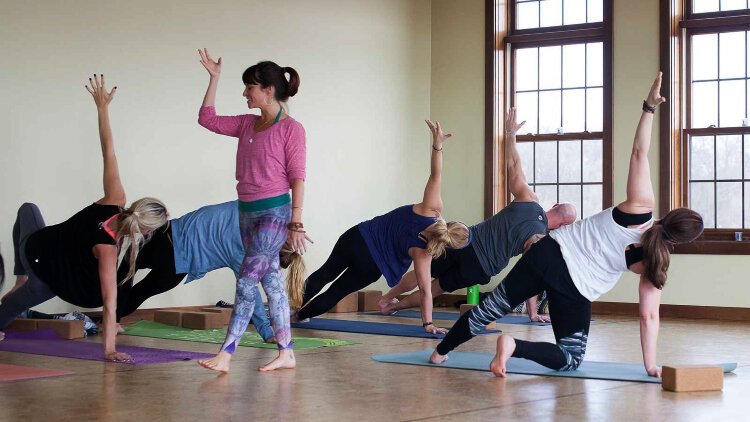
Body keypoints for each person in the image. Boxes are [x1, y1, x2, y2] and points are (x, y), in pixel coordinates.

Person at [429, 72, 704, 378]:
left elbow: (639, 153)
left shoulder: (640, 209)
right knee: (571, 358)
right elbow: (648, 315)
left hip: (546, 252)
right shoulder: (656, 260)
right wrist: (650, 365)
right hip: (576, 286)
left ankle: (439, 353)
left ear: (670, 215)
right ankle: (511, 346)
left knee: (488, 310)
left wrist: (649, 108)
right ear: (679, 241)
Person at [0, 75, 169, 362]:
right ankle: (22, 279)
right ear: (145, 231)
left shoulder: (115, 199)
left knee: (27, 209)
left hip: (44, 254)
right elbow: (108, 302)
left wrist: (102, 108)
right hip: (43, 267)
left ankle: (21, 280)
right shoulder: (108, 248)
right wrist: (110, 349)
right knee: (9, 307)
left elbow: (109, 151)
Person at [379, 108, 577, 323]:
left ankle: (387, 299)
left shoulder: (529, 200)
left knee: (423, 269)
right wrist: (533, 313)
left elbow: (513, 165)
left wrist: (510, 135)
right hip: (481, 268)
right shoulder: (540, 239)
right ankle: (393, 308)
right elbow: (532, 271)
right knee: (435, 289)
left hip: (465, 242)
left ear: (556, 205)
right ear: (562, 225)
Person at [295, 120, 469, 335]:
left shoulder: (431, 208)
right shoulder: (424, 253)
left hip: (356, 238)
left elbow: (436, 174)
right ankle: (298, 317)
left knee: (323, 274)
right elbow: (425, 291)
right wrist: (428, 324)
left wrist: (438, 145)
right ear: (449, 245)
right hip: (370, 266)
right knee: (337, 292)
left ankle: (284, 310)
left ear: (452, 223)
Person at [195, 49, 311, 372]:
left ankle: (226, 353)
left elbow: (297, 177)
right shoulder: (247, 125)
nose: (246, 93)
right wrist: (213, 78)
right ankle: (286, 352)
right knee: (272, 282)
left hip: (275, 215)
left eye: (251, 87)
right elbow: (207, 119)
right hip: (246, 214)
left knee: (246, 283)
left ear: (268, 90)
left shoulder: (292, 129)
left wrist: (296, 222)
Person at [115, 201, 305, 343]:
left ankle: (109, 318)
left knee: (128, 278)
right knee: (133, 286)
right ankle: (110, 319)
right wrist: (268, 332)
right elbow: (251, 294)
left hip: (168, 236)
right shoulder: (243, 249)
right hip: (174, 255)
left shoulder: (254, 212)